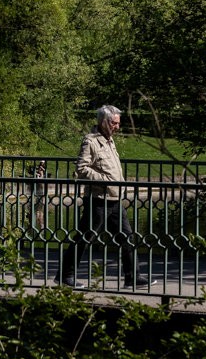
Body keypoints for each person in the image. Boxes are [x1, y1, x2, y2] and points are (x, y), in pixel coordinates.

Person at [58, 104, 152, 289]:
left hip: (115, 200)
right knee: (85, 237)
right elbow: (81, 169)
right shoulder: (90, 141)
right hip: (98, 200)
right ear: (104, 121)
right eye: (115, 123)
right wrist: (106, 180)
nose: (118, 127)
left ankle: (132, 277)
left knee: (127, 237)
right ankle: (65, 276)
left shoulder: (109, 139)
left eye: (118, 123)